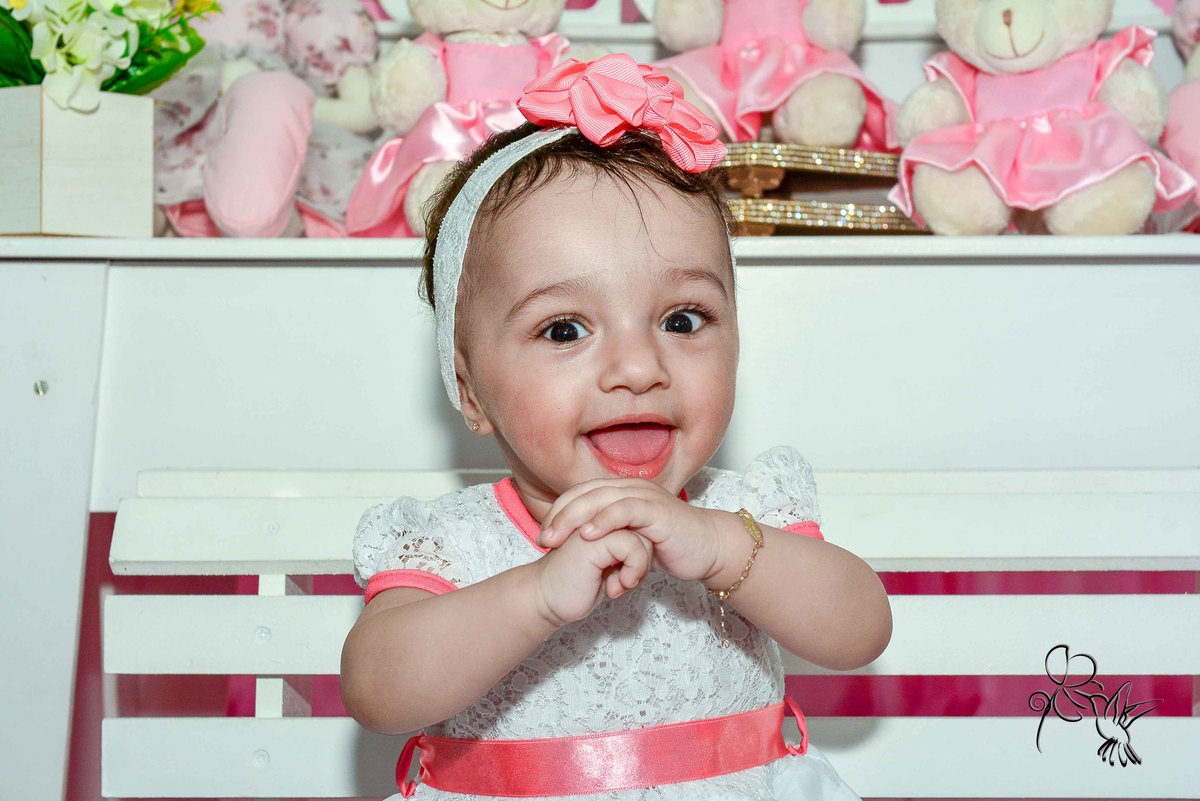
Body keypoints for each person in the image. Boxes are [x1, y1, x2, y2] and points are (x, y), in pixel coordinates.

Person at [340, 53, 892, 801]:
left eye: (682, 318)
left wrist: (721, 544)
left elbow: (860, 628)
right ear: (469, 390)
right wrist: (534, 594)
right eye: (565, 329)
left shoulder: (747, 514)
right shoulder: (452, 544)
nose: (637, 366)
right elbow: (379, 689)